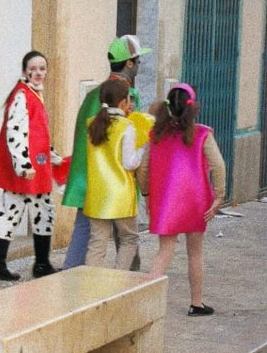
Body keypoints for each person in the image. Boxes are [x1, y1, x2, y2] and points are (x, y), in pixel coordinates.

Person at [62, 34, 152, 269]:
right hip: (117, 185)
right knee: (128, 239)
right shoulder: (128, 97)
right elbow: (133, 146)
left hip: (88, 181)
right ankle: (124, 287)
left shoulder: (96, 95)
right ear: (129, 63)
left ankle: (71, 287)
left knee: (88, 236)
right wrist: (146, 189)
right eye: (139, 61)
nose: (140, 66)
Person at [137, 83, 226, 316]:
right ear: (192, 107)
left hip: (166, 202)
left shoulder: (156, 135)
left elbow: (143, 169)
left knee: (165, 250)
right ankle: (196, 303)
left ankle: (144, 303)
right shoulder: (202, 134)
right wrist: (220, 196)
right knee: (195, 251)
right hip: (197, 200)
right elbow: (218, 165)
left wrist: (146, 194)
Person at [0, 50, 69, 281]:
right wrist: (22, 163)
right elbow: (16, 130)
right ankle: (4, 263)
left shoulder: (33, 94)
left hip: (35, 166)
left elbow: (36, 133)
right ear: (25, 71)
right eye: (33, 69)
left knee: (41, 211)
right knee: (13, 211)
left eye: (42, 69)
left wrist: (51, 155)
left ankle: (38, 263)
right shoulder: (22, 95)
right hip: (26, 169)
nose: (38, 73)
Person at [83, 77, 146, 269]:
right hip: (120, 194)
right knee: (129, 239)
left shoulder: (92, 123)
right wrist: (144, 148)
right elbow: (129, 163)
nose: (132, 104)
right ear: (122, 103)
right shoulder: (126, 127)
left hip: (96, 194)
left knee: (97, 243)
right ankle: (118, 282)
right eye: (129, 99)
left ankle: (90, 286)